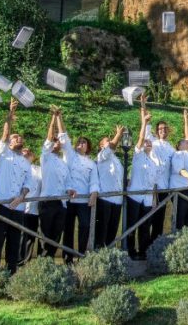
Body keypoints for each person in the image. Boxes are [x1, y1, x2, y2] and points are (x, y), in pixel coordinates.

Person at [0, 99, 33, 273]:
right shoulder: (4, 153)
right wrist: (9, 114)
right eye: (16, 138)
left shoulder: (25, 162)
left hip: (18, 206)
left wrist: (21, 197)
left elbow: (28, 183)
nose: (18, 139)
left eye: (20, 138)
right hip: (1, 203)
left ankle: (11, 273)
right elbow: (5, 135)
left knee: (15, 241)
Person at [57, 111, 99, 263]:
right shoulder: (70, 155)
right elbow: (63, 136)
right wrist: (58, 117)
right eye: (79, 142)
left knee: (85, 226)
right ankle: (67, 257)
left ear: (88, 147)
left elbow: (94, 181)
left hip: (83, 201)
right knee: (67, 229)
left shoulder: (91, 163)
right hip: (68, 200)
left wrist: (94, 194)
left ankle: (81, 255)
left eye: (83, 142)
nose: (80, 144)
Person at [127, 100, 159, 260]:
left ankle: (144, 251)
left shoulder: (153, 163)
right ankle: (130, 252)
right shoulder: (137, 156)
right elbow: (141, 136)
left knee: (145, 226)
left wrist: (153, 199)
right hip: (135, 196)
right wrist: (144, 120)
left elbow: (153, 183)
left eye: (149, 142)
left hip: (147, 198)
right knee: (132, 226)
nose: (147, 143)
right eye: (145, 142)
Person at [38, 109, 70, 259]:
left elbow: (66, 182)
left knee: (57, 235)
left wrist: (70, 190)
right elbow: (49, 137)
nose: (57, 142)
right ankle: (42, 263)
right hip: (48, 201)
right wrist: (53, 118)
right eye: (55, 141)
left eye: (58, 141)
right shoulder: (46, 156)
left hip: (61, 203)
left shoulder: (63, 162)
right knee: (45, 235)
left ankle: (49, 261)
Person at [95, 126, 126, 248]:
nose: (111, 141)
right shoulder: (102, 156)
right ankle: (98, 253)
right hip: (105, 199)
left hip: (117, 200)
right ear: (102, 146)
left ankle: (110, 254)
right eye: (107, 140)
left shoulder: (117, 160)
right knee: (102, 229)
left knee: (112, 230)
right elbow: (112, 146)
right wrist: (118, 134)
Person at [170, 111, 188, 230]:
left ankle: (185, 241)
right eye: (185, 142)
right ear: (179, 146)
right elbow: (179, 169)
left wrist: (186, 120)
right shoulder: (179, 154)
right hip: (181, 190)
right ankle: (176, 240)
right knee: (180, 218)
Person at [19, 146, 41, 263]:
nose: (26, 153)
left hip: (35, 208)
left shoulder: (39, 169)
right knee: (21, 235)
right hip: (21, 208)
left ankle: (27, 261)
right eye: (24, 151)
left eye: (29, 151)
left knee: (31, 237)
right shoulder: (17, 167)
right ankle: (18, 261)